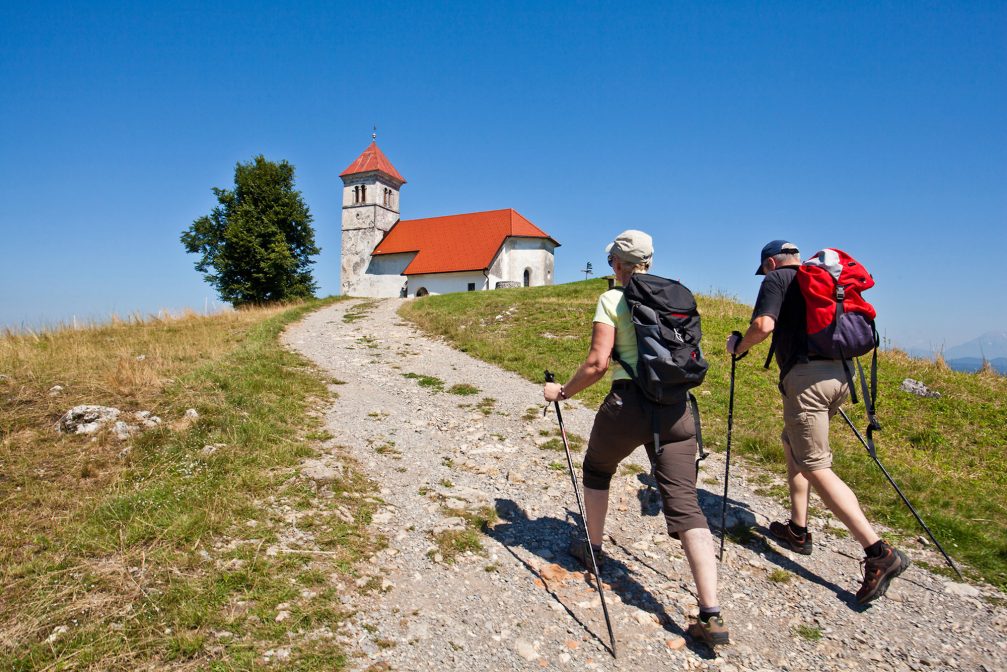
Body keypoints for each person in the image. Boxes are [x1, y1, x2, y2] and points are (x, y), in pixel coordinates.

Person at [543, 230, 728, 646]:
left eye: (612, 261)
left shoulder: (612, 299)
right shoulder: (676, 296)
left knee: (596, 468)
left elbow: (596, 363)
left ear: (618, 265)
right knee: (684, 503)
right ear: (649, 261)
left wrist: (563, 393)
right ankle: (712, 613)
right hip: (678, 410)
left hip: (628, 405)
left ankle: (592, 547)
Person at [726, 240, 910, 604]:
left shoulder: (777, 279)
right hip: (840, 377)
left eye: (764, 269)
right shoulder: (822, 278)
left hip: (808, 380)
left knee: (815, 465)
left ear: (772, 262)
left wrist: (739, 346)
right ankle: (798, 528)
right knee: (792, 442)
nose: (764, 275)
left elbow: (764, 324)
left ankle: (879, 553)